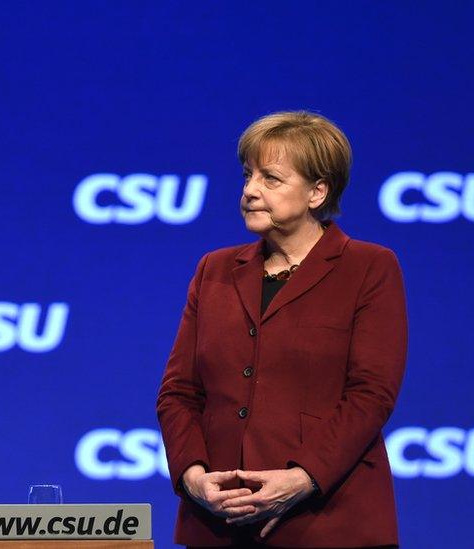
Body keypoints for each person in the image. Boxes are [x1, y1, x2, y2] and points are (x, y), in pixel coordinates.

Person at [156, 111, 406, 548]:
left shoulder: (369, 267)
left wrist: (302, 478)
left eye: (271, 179)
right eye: (247, 175)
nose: (250, 190)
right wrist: (193, 478)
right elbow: (178, 392)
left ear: (317, 192)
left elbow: (371, 394)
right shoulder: (214, 269)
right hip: (219, 525)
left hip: (327, 522)